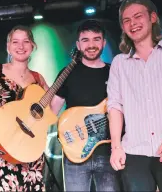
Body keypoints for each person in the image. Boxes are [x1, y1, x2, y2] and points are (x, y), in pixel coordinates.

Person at [108, 0, 162, 191]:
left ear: (153, 17)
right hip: (134, 153)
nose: (133, 23)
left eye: (138, 16)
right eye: (126, 20)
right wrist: (116, 147)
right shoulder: (119, 63)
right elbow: (115, 106)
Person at [51, 20, 121, 191]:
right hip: (75, 155)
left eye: (96, 39)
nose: (91, 45)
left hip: (109, 154)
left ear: (104, 42)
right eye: (85, 40)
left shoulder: (115, 72)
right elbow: (51, 111)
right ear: (78, 44)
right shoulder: (67, 73)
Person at [0, 25, 52, 191]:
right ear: (8, 47)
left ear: (33, 46)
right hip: (4, 147)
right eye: (15, 42)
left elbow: (49, 111)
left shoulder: (38, 78)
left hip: (30, 151)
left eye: (26, 42)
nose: (20, 47)